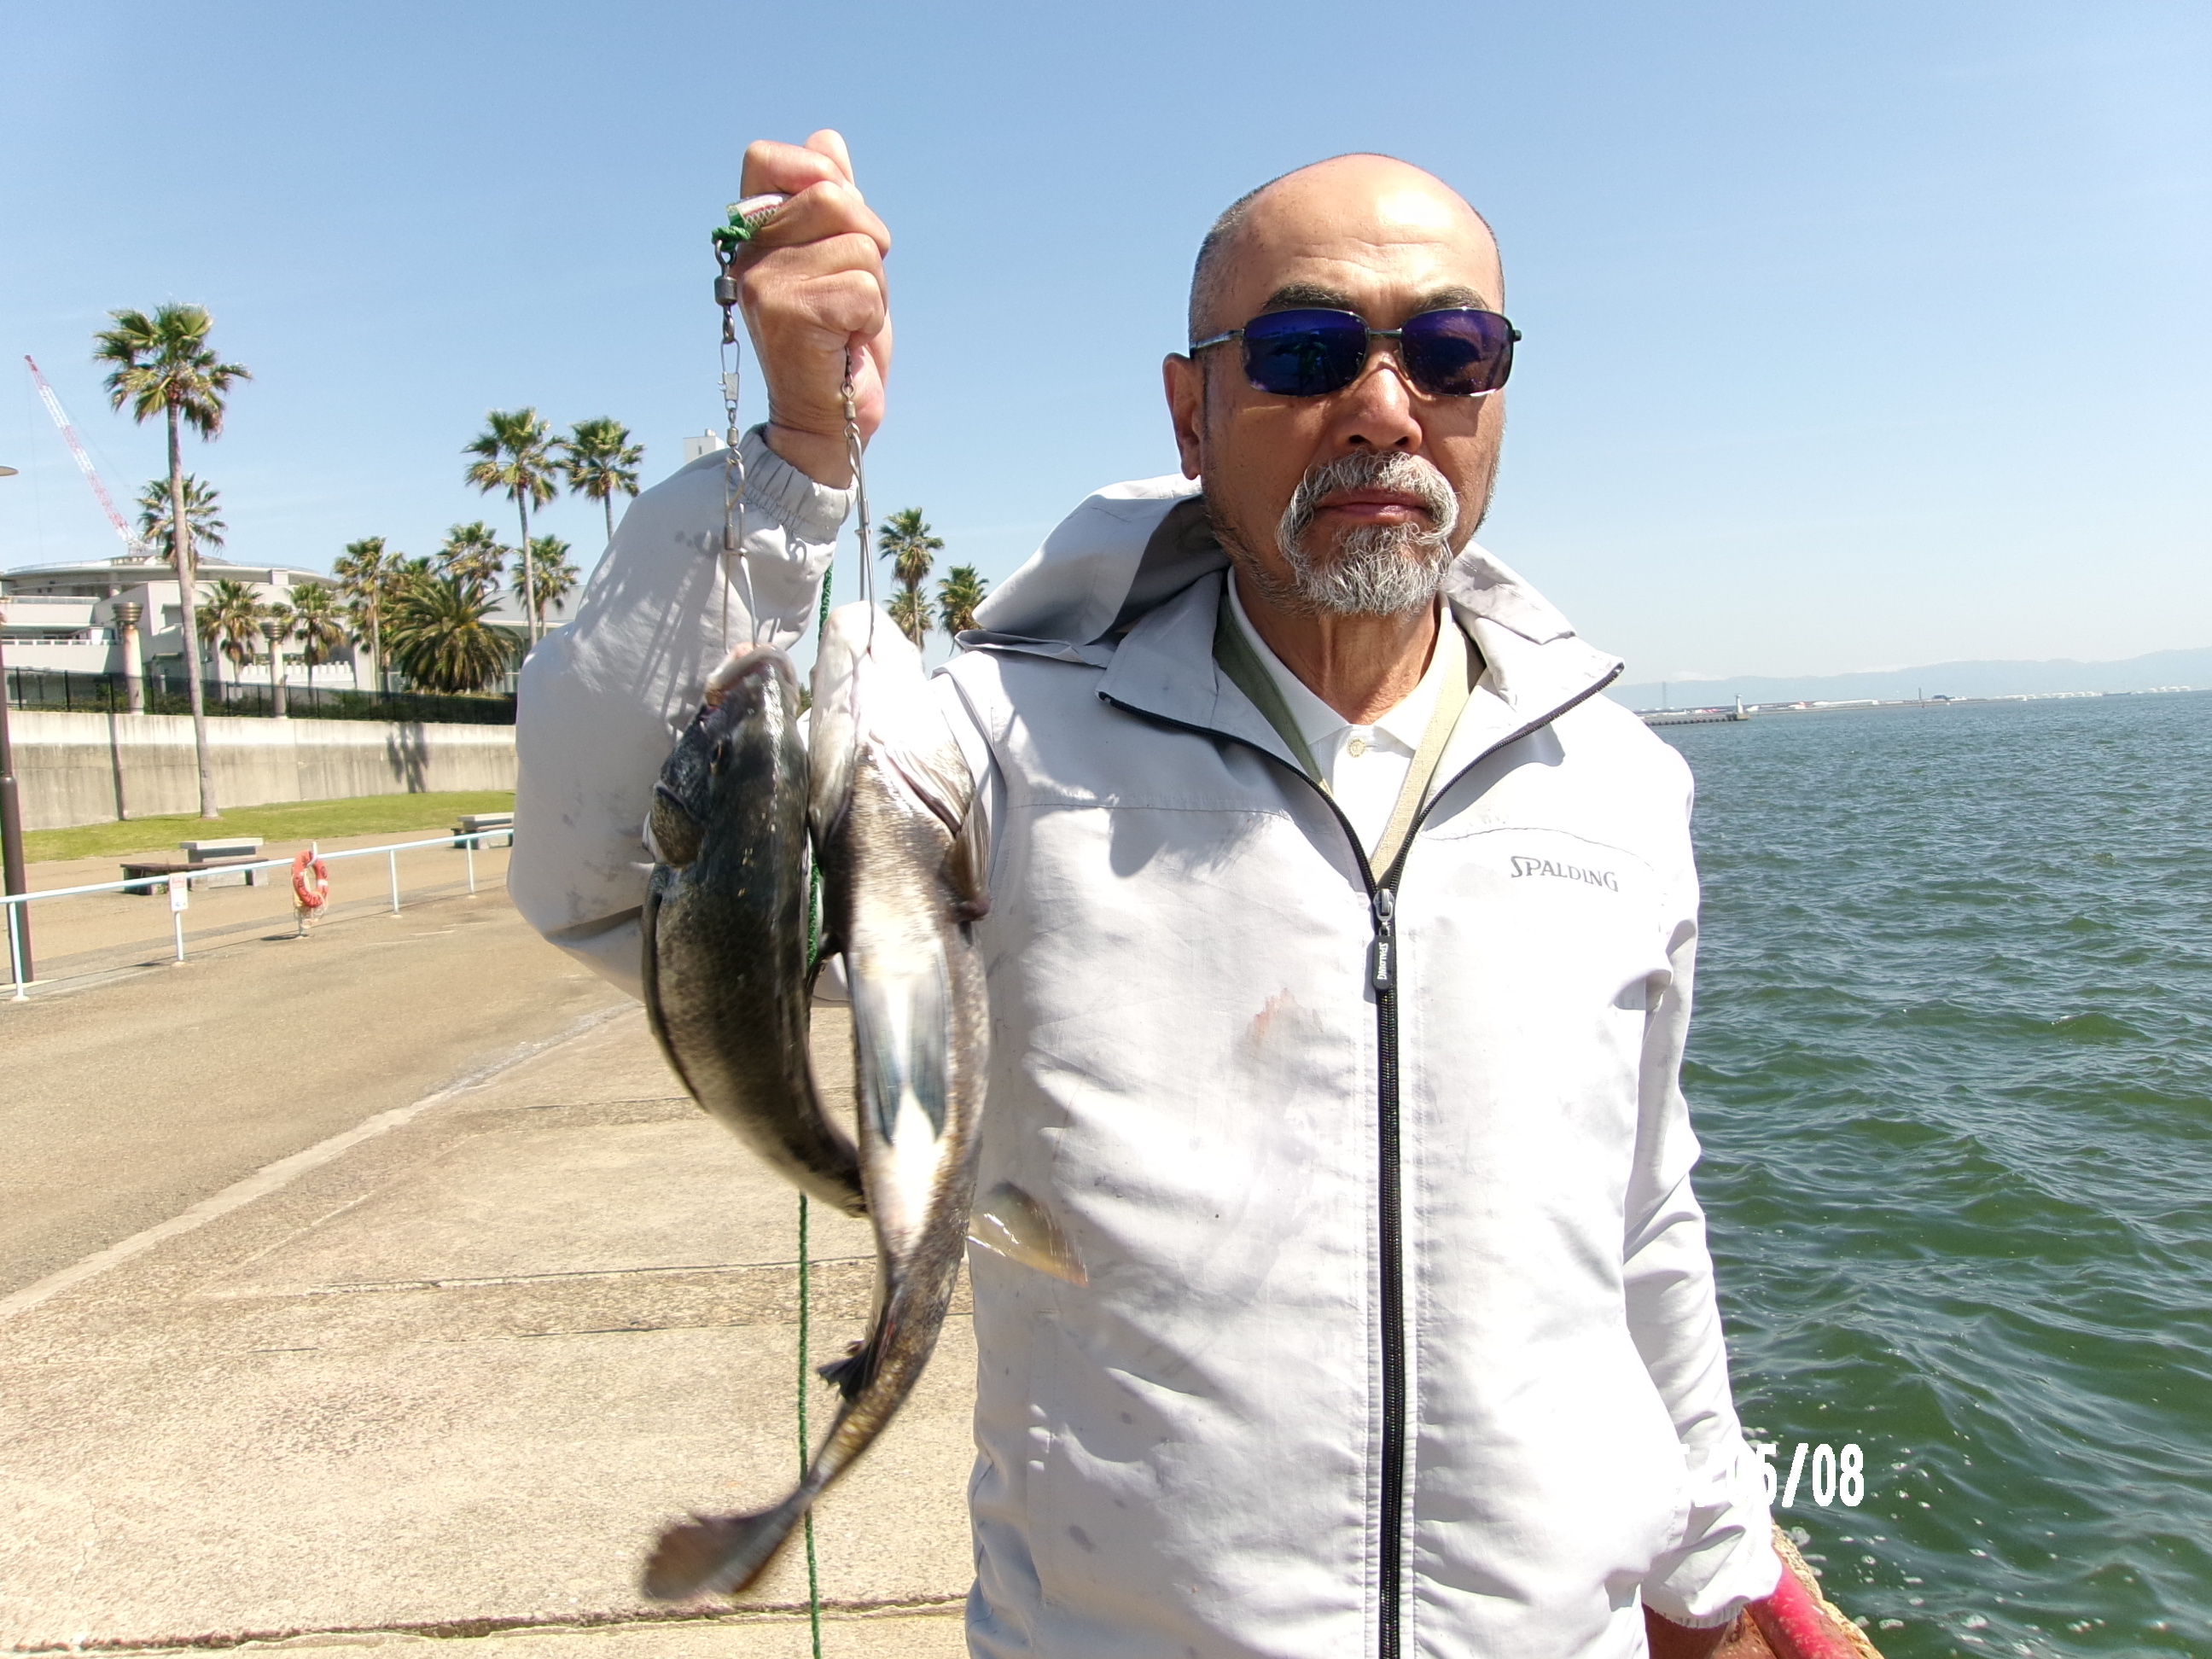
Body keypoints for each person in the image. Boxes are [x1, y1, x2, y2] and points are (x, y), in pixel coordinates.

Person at [511, 130, 1778, 1659]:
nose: (1386, 406)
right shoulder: (992, 747)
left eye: (1453, 353)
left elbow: (1641, 1223)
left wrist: (1714, 1582)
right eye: (1307, 352)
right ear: (1192, 412)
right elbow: (613, 859)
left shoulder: (1621, 783)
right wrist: (795, 454)